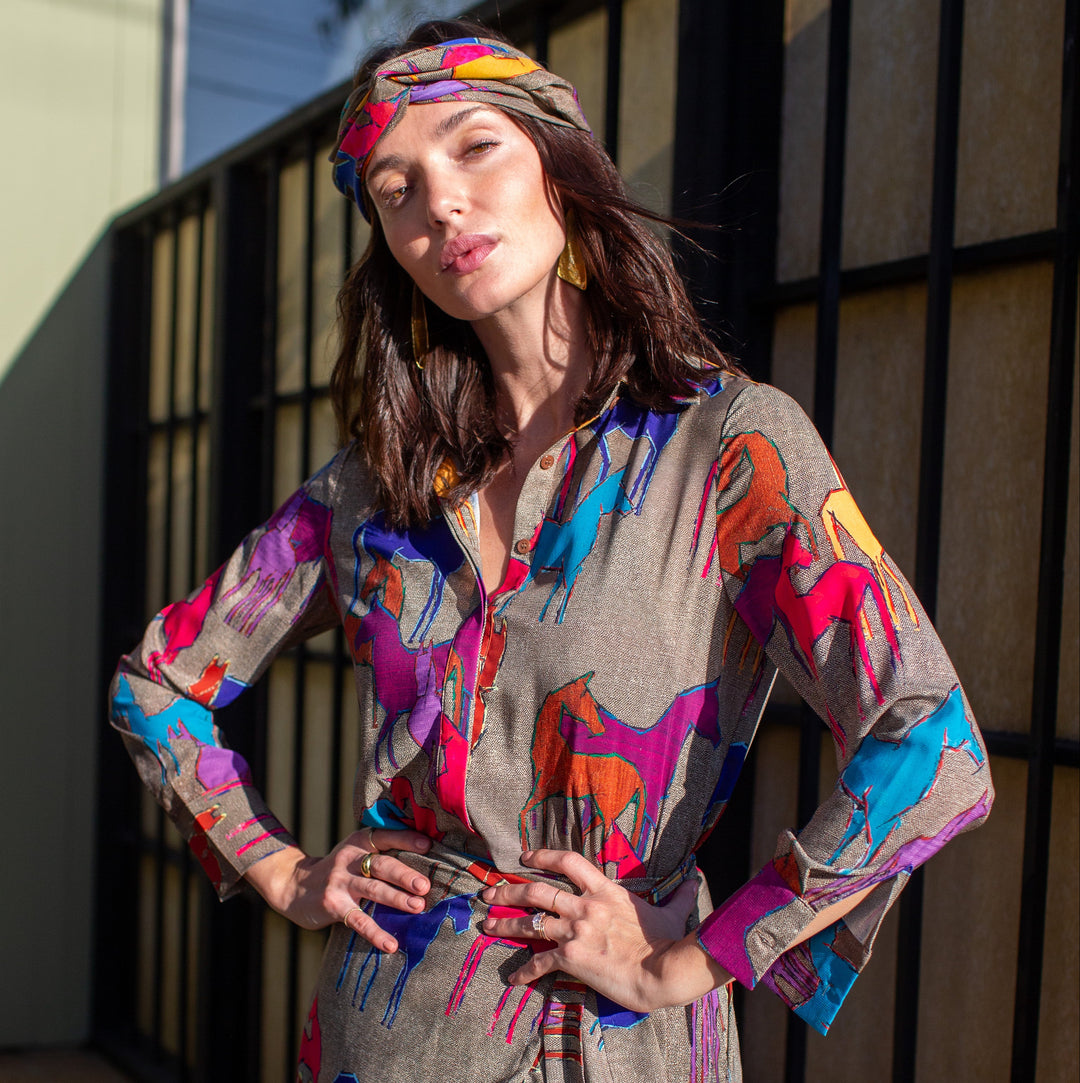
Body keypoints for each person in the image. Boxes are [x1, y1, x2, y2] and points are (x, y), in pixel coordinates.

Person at [110, 19, 994, 1082]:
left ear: (560, 167)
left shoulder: (730, 447)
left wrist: (696, 960)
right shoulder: (370, 487)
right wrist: (285, 869)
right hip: (387, 1034)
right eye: (395, 189)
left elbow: (931, 742)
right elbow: (158, 683)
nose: (438, 202)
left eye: (474, 147)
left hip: (621, 1039)